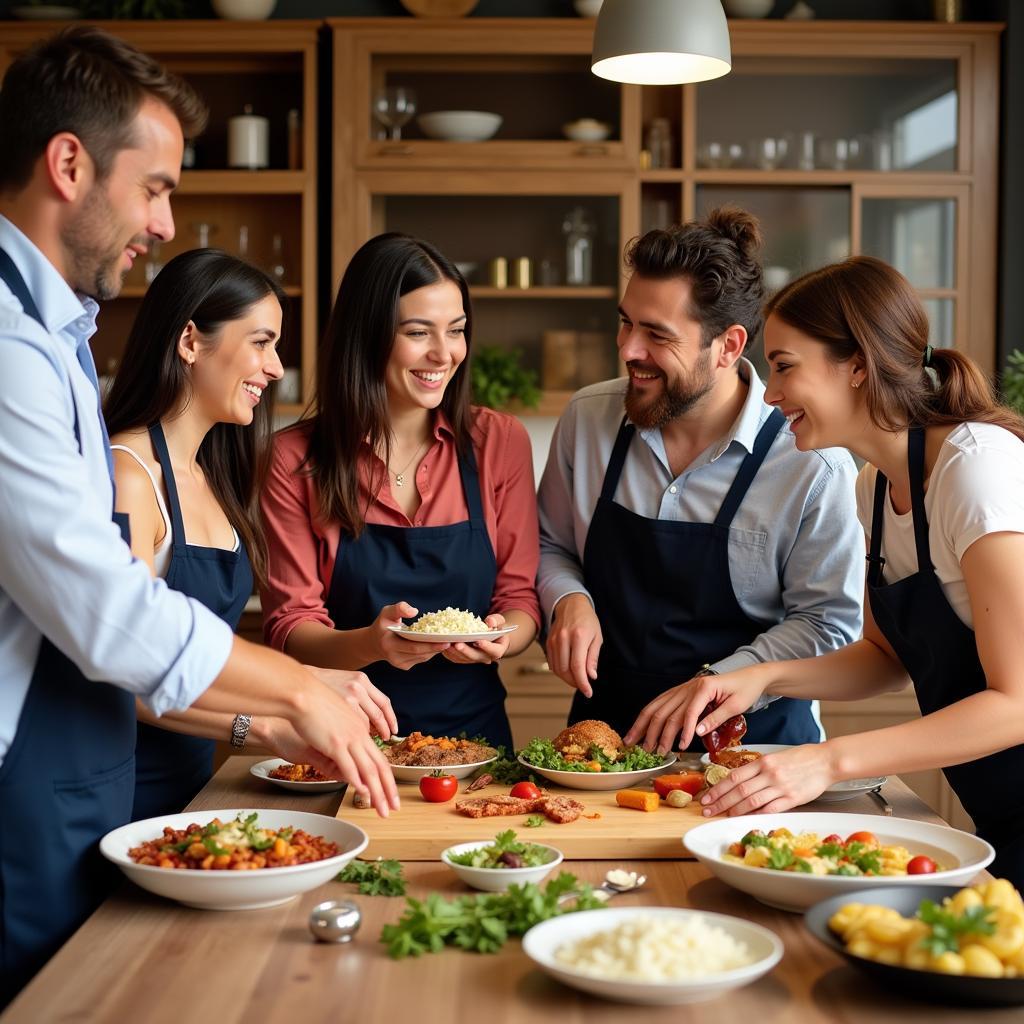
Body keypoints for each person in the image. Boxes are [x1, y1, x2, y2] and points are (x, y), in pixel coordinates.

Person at [0, 27, 397, 1003]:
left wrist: (278, 705)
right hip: (20, 794)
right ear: (68, 164)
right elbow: (107, 609)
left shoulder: (55, 342)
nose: (167, 222)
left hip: (71, 779)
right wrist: (297, 692)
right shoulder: (7, 347)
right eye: (156, 187)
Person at [629, 255, 1024, 886]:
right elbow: (884, 657)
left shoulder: (975, 469)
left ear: (859, 365)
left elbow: (1017, 702)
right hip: (1003, 814)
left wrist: (828, 760)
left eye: (785, 366)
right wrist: (762, 678)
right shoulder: (873, 484)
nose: (772, 391)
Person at [537, 207, 864, 746]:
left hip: (759, 752)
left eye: (656, 335)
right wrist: (568, 598)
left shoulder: (811, 461)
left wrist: (722, 680)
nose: (627, 350)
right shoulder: (587, 420)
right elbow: (551, 545)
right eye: (626, 322)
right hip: (607, 745)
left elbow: (828, 625)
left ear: (728, 347)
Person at [103, 249, 398, 820]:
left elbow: (203, 652)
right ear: (190, 341)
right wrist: (271, 719)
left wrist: (298, 699)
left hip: (194, 790)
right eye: (261, 342)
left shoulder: (216, 476)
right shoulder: (128, 476)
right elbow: (127, 672)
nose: (277, 367)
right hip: (127, 790)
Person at [260, 232, 541, 751]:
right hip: (344, 739)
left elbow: (519, 599)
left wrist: (503, 638)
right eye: (418, 332)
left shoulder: (498, 442)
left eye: (456, 331)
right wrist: (373, 644)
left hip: (476, 746)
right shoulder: (293, 459)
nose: (444, 353)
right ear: (367, 336)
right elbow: (290, 627)